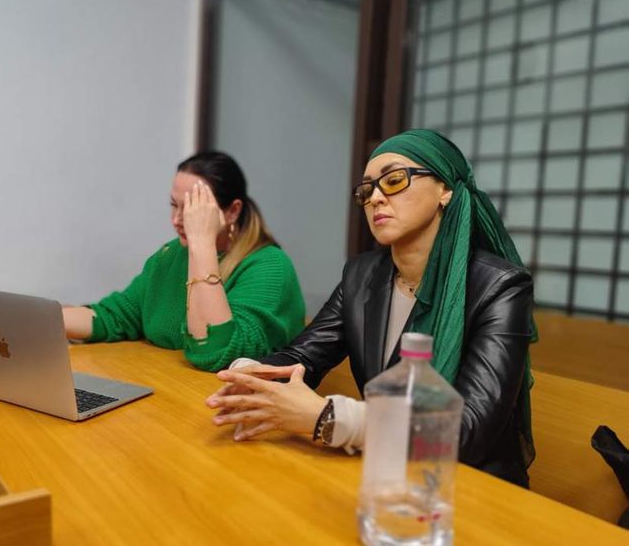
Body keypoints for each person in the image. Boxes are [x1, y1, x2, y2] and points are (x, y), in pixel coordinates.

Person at [205, 129, 537, 487]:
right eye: (366, 190)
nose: (375, 198)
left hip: (472, 488)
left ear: (445, 190)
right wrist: (247, 376)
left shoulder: (500, 287)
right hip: (386, 472)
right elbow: (303, 357)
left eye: (394, 181)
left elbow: (468, 432)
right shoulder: (361, 275)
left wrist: (329, 417)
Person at [63, 151, 306, 372]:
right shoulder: (172, 254)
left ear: (232, 211)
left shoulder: (270, 265)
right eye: (174, 205)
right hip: (169, 388)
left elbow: (214, 352)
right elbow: (117, 316)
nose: (177, 220)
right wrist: (48, 322)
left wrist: (202, 243)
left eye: (192, 209)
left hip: (220, 398)